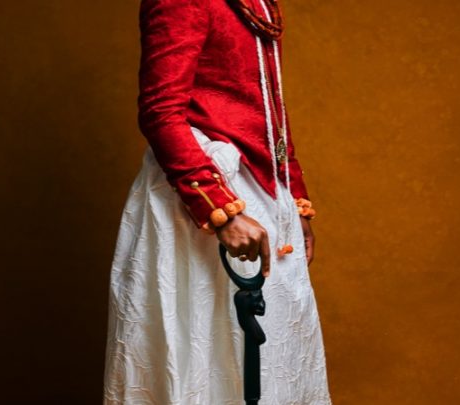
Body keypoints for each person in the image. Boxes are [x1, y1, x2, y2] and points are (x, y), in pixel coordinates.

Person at [103, 0, 332, 403]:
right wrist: (219, 210)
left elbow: (268, 111)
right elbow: (160, 112)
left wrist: (294, 196)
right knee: (207, 360)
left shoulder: (259, 4)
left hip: (263, 195)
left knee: (278, 365)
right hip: (204, 199)